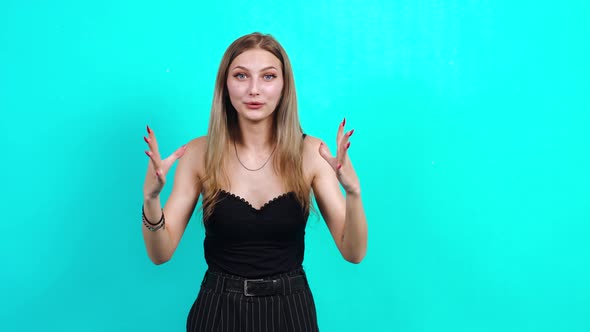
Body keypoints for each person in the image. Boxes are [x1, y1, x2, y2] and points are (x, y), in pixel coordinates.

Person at [141, 32, 368, 332]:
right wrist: (151, 200)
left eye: (268, 76)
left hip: (291, 312)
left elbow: (353, 253)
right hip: (218, 312)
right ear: (225, 84)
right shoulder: (198, 153)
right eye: (241, 76)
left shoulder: (312, 153)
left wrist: (353, 193)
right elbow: (160, 253)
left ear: (285, 86)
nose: (254, 90)